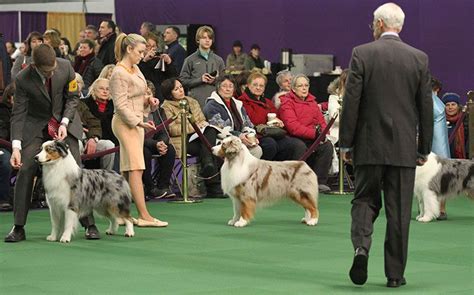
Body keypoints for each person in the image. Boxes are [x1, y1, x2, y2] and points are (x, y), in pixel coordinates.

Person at [339, 3, 433, 288]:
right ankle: (395, 275)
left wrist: (345, 143)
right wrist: (423, 148)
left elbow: (351, 102)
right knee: (400, 211)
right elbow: (426, 107)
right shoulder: (419, 58)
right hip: (403, 148)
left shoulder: (362, 53)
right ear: (399, 26)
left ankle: (361, 249)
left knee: (364, 201)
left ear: (379, 24)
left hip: (368, 145)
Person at [5, 44, 100, 242]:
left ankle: (89, 224)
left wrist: (65, 122)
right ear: (34, 66)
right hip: (37, 128)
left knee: (75, 170)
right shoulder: (22, 79)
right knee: (25, 169)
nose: (51, 73)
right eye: (46, 71)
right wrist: (16, 147)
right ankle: (18, 226)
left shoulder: (66, 67)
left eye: (53, 68)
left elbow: (73, 97)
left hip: (66, 123)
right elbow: (19, 114)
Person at [110, 33, 168, 227]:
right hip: (125, 124)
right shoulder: (119, 72)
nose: (143, 56)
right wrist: (138, 121)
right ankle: (144, 215)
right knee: (136, 168)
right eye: (141, 51)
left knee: (128, 169)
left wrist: (149, 102)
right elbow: (120, 105)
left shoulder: (135, 69)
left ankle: (122, 213)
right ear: (129, 49)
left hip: (136, 122)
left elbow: (137, 97)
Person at [161, 77, 223, 197]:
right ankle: (213, 186)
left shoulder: (192, 101)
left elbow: (202, 120)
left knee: (209, 132)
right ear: (169, 93)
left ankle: (209, 166)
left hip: (198, 138)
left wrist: (201, 126)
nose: (180, 90)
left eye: (181, 87)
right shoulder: (166, 107)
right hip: (181, 141)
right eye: (176, 89)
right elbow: (172, 129)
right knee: (209, 149)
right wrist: (194, 127)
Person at [278, 74, 334, 192]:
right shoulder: (286, 103)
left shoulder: (312, 102)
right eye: (300, 86)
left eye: (306, 85)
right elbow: (293, 127)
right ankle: (297, 183)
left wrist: (324, 134)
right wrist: (315, 134)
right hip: (292, 137)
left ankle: (319, 182)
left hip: (312, 136)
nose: (304, 88)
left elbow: (322, 122)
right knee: (299, 146)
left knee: (327, 146)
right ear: (293, 88)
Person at [239, 72, 306, 162]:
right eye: (255, 85)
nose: (258, 88)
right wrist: (269, 121)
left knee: (297, 145)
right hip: (257, 136)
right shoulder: (242, 101)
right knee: (270, 144)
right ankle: (264, 172)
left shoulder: (267, 102)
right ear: (248, 85)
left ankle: (289, 172)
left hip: (272, 133)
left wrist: (278, 122)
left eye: (261, 86)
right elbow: (254, 120)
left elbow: (276, 116)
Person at [204, 74, 263, 159]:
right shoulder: (212, 105)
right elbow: (220, 130)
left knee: (257, 149)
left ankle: (245, 172)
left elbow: (248, 124)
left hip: (238, 141)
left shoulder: (238, 104)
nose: (228, 89)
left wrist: (250, 136)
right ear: (218, 87)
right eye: (224, 86)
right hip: (223, 142)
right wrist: (239, 136)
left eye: (230, 86)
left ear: (234, 89)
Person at [142, 81, 176, 199]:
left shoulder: (158, 111)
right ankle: (150, 188)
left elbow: (164, 131)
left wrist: (162, 143)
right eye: (143, 94)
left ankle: (163, 186)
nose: (147, 97)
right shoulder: (134, 112)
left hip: (156, 143)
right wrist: (156, 144)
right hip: (141, 144)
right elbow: (138, 136)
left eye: (149, 93)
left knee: (170, 149)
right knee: (144, 152)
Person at [180, 25, 225, 108]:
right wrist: (200, 80)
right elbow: (182, 81)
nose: (207, 40)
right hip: (196, 103)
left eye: (210, 38)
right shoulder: (190, 60)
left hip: (215, 102)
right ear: (198, 40)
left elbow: (224, 82)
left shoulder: (219, 60)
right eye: (204, 37)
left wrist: (214, 81)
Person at [78, 78, 116, 170]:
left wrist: (94, 138)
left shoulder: (114, 105)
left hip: (98, 137)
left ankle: (106, 176)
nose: (105, 91)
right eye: (101, 89)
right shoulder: (83, 103)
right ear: (94, 89)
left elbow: (94, 122)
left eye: (107, 89)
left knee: (109, 145)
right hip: (80, 137)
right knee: (78, 144)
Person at [430, 79, 450, 221]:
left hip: (436, 148)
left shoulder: (434, 103)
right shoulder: (438, 103)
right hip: (437, 148)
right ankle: (438, 209)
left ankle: (440, 209)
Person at [138, 32, 177, 102]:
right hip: (144, 97)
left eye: (154, 46)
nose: (151, 49)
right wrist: (144, 61)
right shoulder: (138, 61)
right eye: (148, 46)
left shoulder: (160, 60)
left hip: (161, 97)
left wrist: (169, 63)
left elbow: (173, 77)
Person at [0, 83, 14, 211]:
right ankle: (3, 199)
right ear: (9, 98)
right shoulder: (2, 111)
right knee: (6, 160)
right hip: (4, 146)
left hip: (19, 147)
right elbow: (2, 134)